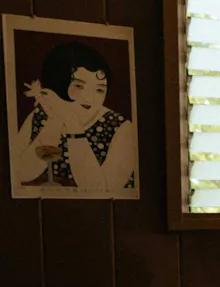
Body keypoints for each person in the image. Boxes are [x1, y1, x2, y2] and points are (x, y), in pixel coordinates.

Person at [9, 41, 136, 193]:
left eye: (99, 90)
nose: (89, 98)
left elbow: (100, 191)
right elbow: (19, 174)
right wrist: (55, 120)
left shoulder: (120, 127)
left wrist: (73, 124)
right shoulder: (40, 116)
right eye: (79, 86)